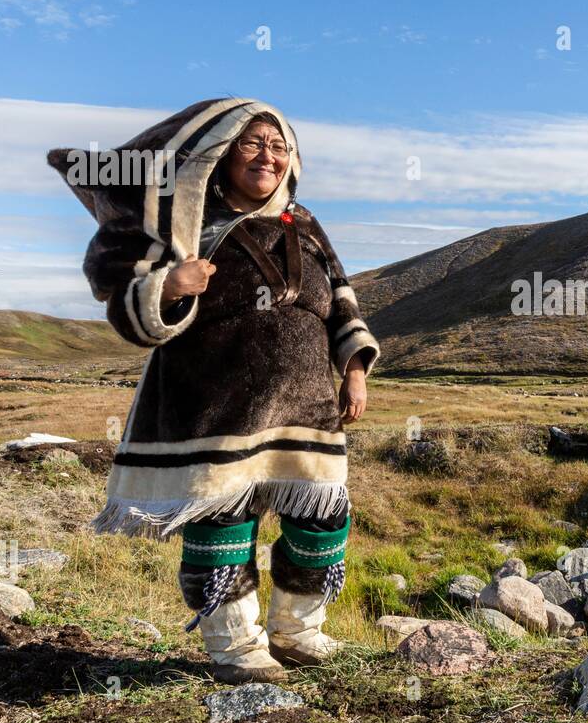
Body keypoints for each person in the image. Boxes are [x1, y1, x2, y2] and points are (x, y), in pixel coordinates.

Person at [48, 98, 379, 683]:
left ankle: (297, 629)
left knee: (322, 517)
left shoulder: (304, 222)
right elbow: (126, 306)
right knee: (225, 521)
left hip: (306, 402)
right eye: (252, 143)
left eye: (279, 147)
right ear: (222, 154)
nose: (267, 157)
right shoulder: (186, 224)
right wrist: (171, 285)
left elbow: (341, 295)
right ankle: (234, 646)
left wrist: (353, 365)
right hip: (213, 400)